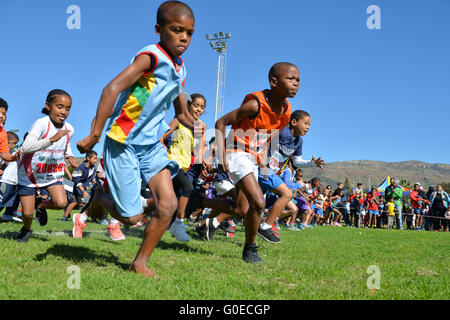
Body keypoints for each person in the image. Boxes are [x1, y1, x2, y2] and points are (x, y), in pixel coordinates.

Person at [75, 1, 196, 277]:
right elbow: (111, 88)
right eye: (176, 30)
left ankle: (139, 262)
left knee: (168, 204)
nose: (184, 38)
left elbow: (178, 100)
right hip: (123, 142)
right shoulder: (150, 58)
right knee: (131, 218)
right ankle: (99, 199)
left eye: (189, 32)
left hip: (152, 145)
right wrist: (95, 132)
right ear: (159, 29)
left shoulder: (181, 67)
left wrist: (189, 119)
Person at [215, 62, 299, 263]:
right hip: (236, 151)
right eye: (290, 79)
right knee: (258, 201)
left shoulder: (286, 111)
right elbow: (221, 122)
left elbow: (266, 136)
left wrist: (262, 161)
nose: (296, 83)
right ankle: (251, 248)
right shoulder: (255, 104)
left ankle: (196, 202)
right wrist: (220, 155)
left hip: (253, 157)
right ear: (274, 81)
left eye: (298, 80)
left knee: (244, 208)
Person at [15, 89, 75, 242]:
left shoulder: (69, 129)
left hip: (50, 173)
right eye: (59, 107)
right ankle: (27, 228)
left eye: (67, 108)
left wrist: (70, 155)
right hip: (29, 173)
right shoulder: (41, 123)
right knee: (27, 214)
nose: (64, 112)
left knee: (61, 202)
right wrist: (51, 139)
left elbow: (65, 143)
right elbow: (26, 147)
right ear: (48, 106)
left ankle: (40, 206)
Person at [257, 110, 325, 242]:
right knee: (287, 194)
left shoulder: (299, 141)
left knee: (245, 205)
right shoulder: (282, 131)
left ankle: (213, 222)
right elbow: (263, 141)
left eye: (309, 125)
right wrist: (262, 162)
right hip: (262, 170)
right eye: (305, 123)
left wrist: (312, 163)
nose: (308, 127)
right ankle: (265, 226)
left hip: (271, 173)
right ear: (294, 122)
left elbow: (297, 161)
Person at [161, 93, 206, 242]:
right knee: (188, 189)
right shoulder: (179, 119)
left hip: (185, 165)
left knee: (169, 199)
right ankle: (178, 223)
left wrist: (205, 162)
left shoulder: (200, 126)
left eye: (202, 107)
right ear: (188, 105)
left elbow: (197, 149)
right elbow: (162, 136)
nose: (199, 109)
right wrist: (162, 148)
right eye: (196, 105)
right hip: (172, 162)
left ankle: (140, 212)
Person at [0, 131, 20, 222]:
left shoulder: (11, 152)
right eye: (14, 143)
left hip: (9, 180)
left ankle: (7, 215)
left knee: (4, 201)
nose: (14, 146)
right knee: (2, 200)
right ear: (6, 142)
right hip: (5, 180)